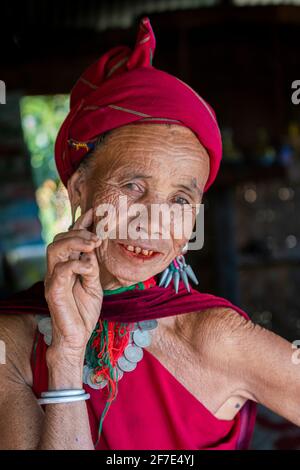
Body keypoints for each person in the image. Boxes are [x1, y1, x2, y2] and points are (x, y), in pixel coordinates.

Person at [0, 17, 299, 451]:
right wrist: (65, 355)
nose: (154, 221)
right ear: (79, 188)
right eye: (132, 186)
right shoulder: (12, 339)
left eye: (180, 200)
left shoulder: (217, 337)